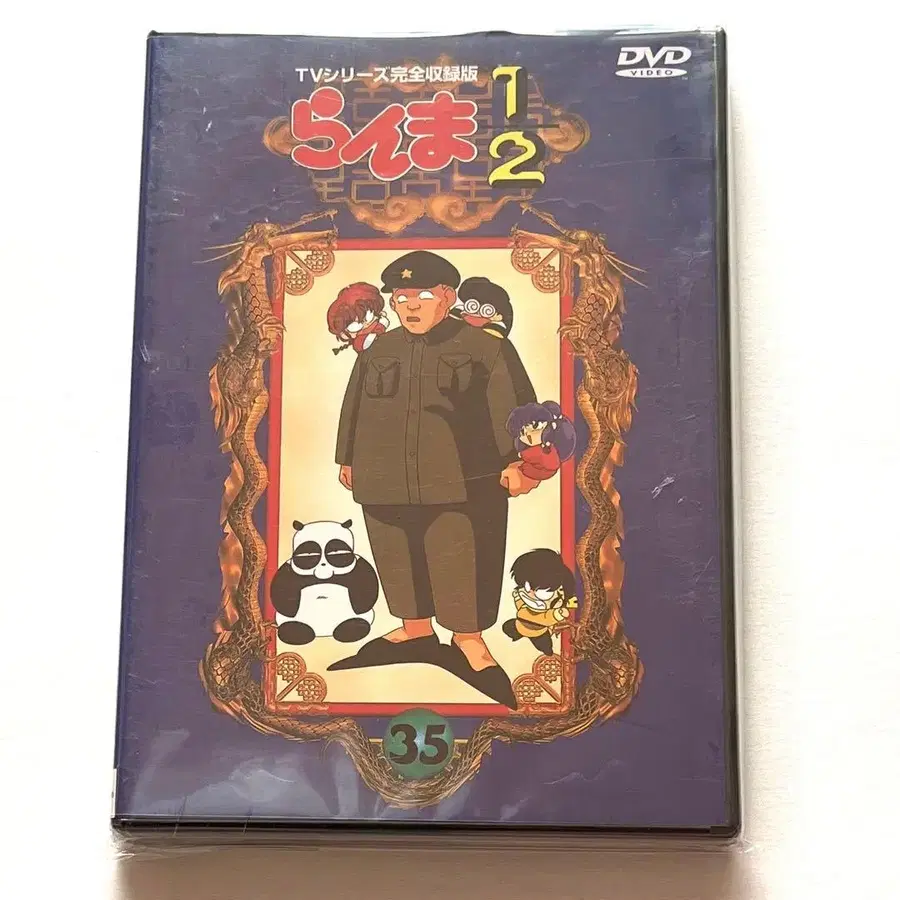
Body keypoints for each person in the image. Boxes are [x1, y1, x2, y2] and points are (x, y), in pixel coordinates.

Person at [329, 250, 540, 708]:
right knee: (395, 551)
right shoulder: (378, 349)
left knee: (461, 556)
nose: (410, 305)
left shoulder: (486, 346)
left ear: (447, 297)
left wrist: (520, 462)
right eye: (401, 296)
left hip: (462, 481)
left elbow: (515, 407)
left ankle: (468, 640)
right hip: (385, 476)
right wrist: (347, 456)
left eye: (423, 295)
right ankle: (415, 629)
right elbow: (354, 404)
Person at [501, 549, 578, 655]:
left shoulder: (547, 607)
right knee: (507, 627)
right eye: (526, 585)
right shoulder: (526, 598)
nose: (529, 591)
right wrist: (518, 598)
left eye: (536, 588)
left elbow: (546, 617)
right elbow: (520, 605)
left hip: (538, 632)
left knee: (544, 645)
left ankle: (547, 650)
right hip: (519, 624)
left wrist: (557, 614)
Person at [506, 400, 576, 481]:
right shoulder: (530, 452)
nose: (528, 433)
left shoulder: (549, 454)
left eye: (535, 426)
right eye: (522, 432)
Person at [326, 282, 389, 354]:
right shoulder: (359, 340)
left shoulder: (376, 323)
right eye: (356, 322)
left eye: (364, 317)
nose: (364, 323)